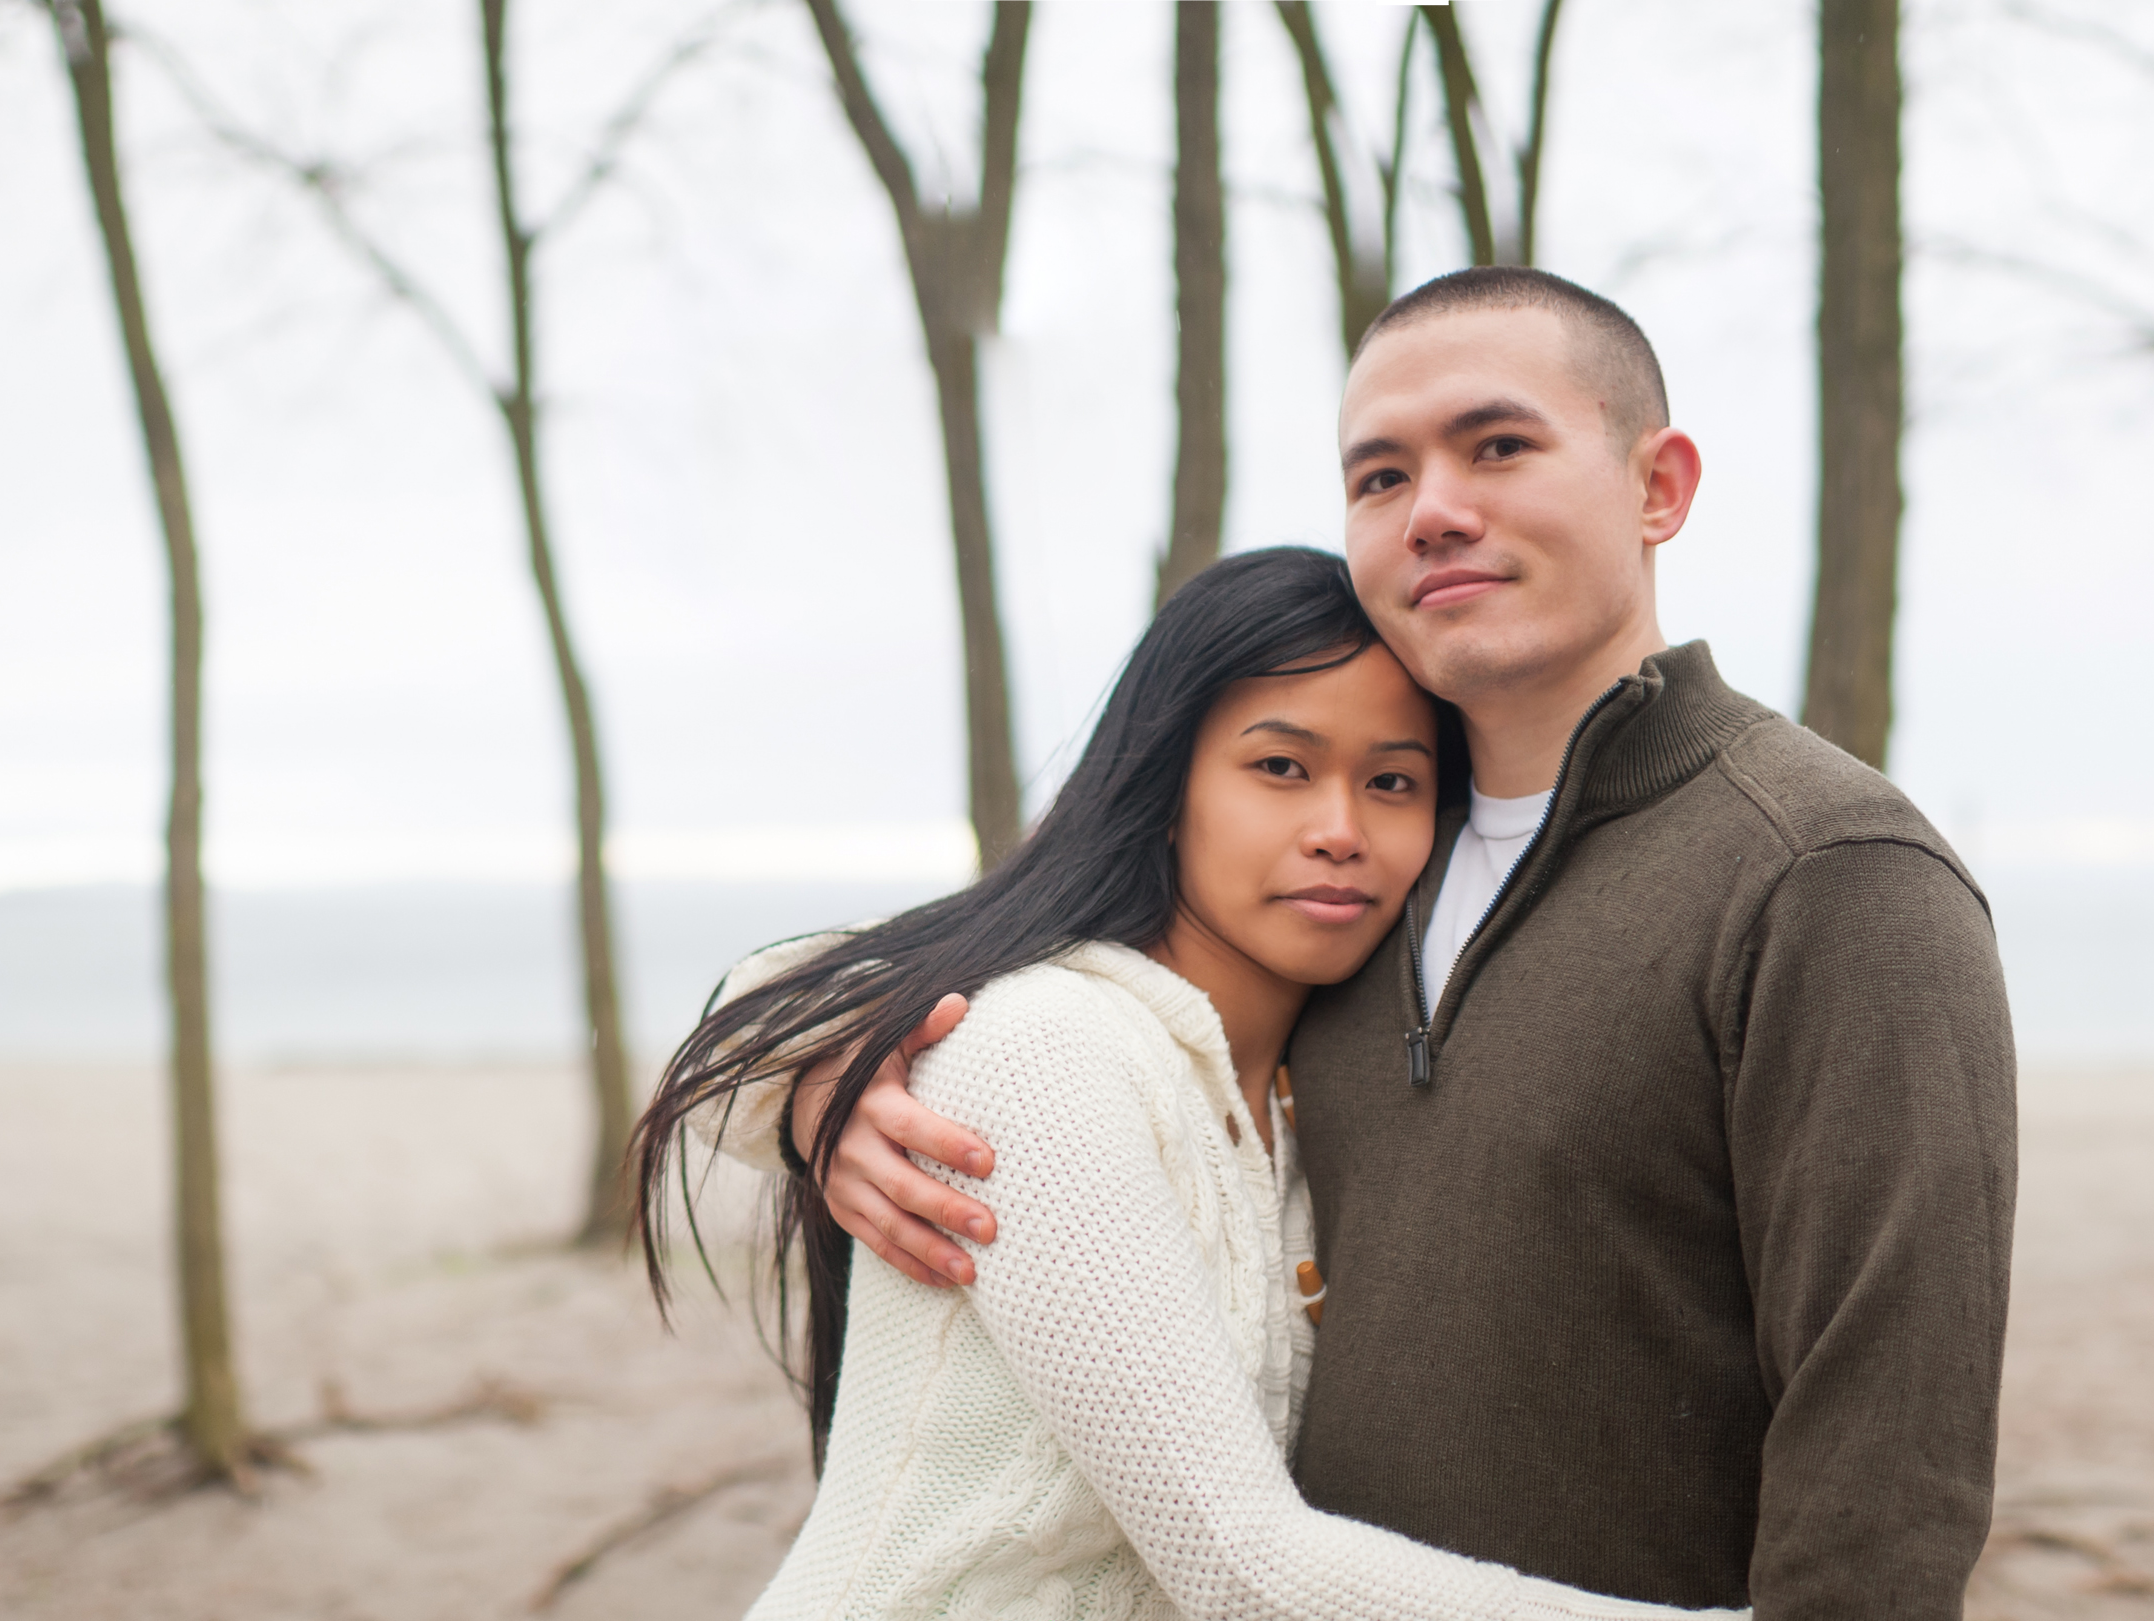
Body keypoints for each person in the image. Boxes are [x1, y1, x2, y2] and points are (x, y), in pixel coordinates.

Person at [803, 268, 2020, 1617]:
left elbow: (1889, 1462)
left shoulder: (1822, 871)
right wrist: (814, 1073)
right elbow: (1011, 994)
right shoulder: (1355, 890)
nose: (1435, 509)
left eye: (1499, 446)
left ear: (1658, 487)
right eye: (1379, 477)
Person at [629, 548, 1731, 1620]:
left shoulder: (1315, 1096)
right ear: (1167, 790)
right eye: (1279, 767)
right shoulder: (1049, 1049)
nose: (1339, 831)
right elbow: (1246, 1574)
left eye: (1391, 782)